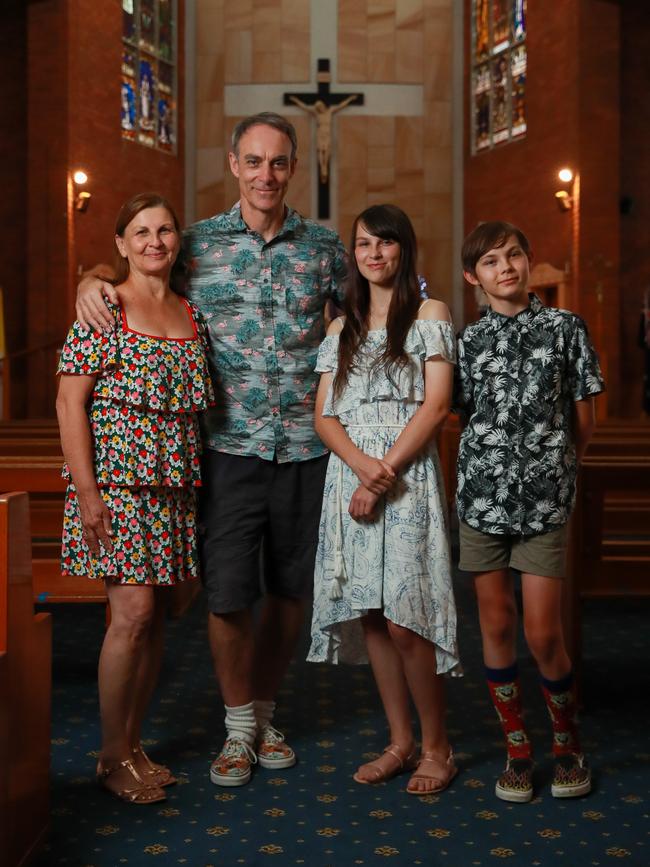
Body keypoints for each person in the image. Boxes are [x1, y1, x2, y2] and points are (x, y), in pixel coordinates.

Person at [74, 113, 348, 787]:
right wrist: (90, 279)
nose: (266, 174)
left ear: (291, 168)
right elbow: (137, 268)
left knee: (289, 593)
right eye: (253, 161)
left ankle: (264, 711)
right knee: (226, 593)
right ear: (233, 163)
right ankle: (235, 729)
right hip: (225, 448)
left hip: (307, 449)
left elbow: (367, 315)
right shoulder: (195, 243)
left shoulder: (324, 246)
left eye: (278, 162)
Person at [57, 192, 214, 804]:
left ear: (178, 242)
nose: (155, 241)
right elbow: (70, 403)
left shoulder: (189, 313)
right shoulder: (104, 308)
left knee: (157, 625)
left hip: (173, 487)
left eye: (166, 230)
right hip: (116, 486)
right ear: (120, 244)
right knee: (133, 617)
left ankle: (133, 742)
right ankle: (109, 754)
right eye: (141, 232)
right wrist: (88, 492)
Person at [308, 204, 461, 795]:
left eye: (386, 243)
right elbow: (324, 417)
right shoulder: (339, 328)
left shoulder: (429, 313)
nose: (375, 254)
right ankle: (399, 742)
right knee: (371, 612)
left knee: (405, 618)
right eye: (364, 244)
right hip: (350, 475)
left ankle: (437, 747)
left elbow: (438, 403)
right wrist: (360, 470)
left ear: (405, 248)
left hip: (405, 476)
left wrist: (383, 473)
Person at [455, 220, 605, 803]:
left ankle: (566, 743)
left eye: (514, 255)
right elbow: (457, 412)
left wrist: (565, 462)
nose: (506, 268)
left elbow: (584, 412)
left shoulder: (565, 328)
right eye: (491, 262)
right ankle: (518, 748)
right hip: (481, 500)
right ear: (474, 276)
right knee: (495, 625)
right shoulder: (468, 342)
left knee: (543, 632)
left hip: (545, 499)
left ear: (528, 260)